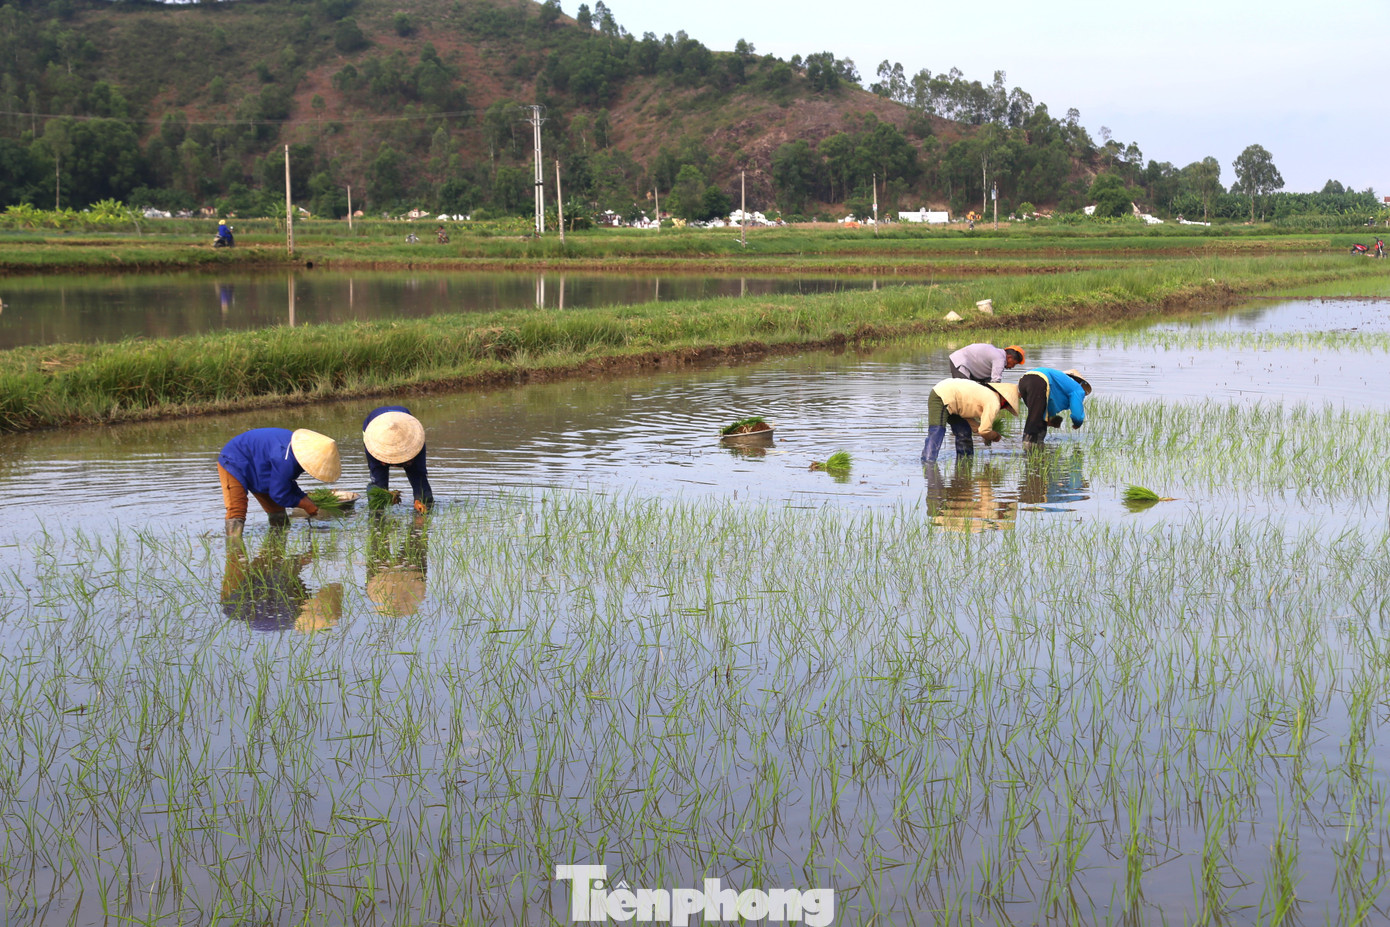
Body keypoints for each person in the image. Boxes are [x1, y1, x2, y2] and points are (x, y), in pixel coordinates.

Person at [218, 428, 341, 536]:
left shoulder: (296, 455)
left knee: (278, 514)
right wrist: (304, 504)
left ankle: (276, 554)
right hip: (234, 460)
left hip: (260, 466)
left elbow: (286, 481)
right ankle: (234, 550)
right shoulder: (286, 456)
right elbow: (279, 494)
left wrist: (303, 497)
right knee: (237, 509)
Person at [921, 379, 1020, 462]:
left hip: (954, 402)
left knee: (964, 431)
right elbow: (984, 430)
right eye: (1006, 405)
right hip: (941, 396)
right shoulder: (994, 401)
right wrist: (994, 435)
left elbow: (969, 418)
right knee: (937, 431)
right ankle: (928, 463)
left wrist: (984, 433)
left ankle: (965, 462)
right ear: (1004, 400)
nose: (1003, 408)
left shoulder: (986, 395)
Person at [363, 406, 434, 513]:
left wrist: (419, 500)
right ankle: (377, 516)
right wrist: (386, 496)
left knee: (420, 482)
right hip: (377, 432)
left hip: (407, 432)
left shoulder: (416, 439)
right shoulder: (372, 441)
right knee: (378, 487)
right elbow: (377, 462)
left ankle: (425, 507)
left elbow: (418, 472)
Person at [1016, 368, 1091, 450]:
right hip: (1038, 381)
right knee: (1036, 422)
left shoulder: (1055, 382)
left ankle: (1031, 449)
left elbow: (1046, 408)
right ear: (1077, 380)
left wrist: (1050, 419)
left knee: (1038, 420)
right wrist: (1077, 422)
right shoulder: (1077, 388)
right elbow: (1077, 413)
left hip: (1023, 381)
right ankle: (1031, 449)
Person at [948, 343, 1025, 383]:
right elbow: (996, 381)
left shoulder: (997, 354)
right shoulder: (1000, 358)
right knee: (964, 391)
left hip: (968, 365)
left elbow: (990, 380)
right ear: (1009, 357)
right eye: (1014, 363)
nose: (1012, 367)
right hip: (961, 362)